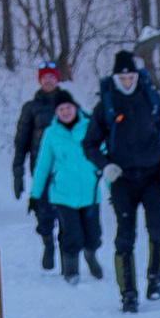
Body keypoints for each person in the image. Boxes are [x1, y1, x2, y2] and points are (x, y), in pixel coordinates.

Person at [91, 45, 160, 314]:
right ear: (116, 78)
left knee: (158, 231)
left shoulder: (152, 99)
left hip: (154, 176)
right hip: (123, 180)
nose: (127, 81)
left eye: (131, 77)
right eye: (122, 78)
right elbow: (90, 144)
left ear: (138, 76)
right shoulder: (106, 104)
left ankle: (155, 277)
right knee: (124, 238)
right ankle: (127, 293)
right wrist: (105, 166)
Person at [31, 89, 105, 284]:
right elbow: (43, 165)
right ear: (56, 112)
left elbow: (104, 155)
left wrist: (113, 184)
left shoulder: (90, 126)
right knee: (72, 235)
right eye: (61, 109)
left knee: (93, 234)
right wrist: (35, 194)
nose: (65, 112)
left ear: (75, 108)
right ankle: (71, 270)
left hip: (89, 193)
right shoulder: (51, 133)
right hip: (63, 194)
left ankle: (91, 255)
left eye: (68, 107)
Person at [11, 61, 64, 270]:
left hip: (64, 170)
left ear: (57, 79)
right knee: (43, 210)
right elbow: (21, 141)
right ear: (39, 81)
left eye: (51, 77)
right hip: (40, 169)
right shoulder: (31, 108)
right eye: (44, 78)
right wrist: (17, 173)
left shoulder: (67, 104)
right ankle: (48, 244)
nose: (48, 81)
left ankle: (65, 248)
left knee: (65, 210)